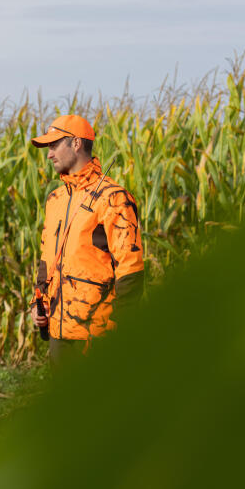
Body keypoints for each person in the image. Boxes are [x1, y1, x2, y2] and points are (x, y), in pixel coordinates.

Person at [29, 115, 145, 367]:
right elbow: (47, 260)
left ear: (76, 144)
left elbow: (130, 269)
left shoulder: (113, 198)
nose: (49, 155)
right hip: (59, 332)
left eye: (53, 145)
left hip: (99, 334)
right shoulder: (55, 200)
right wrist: (39, 303)